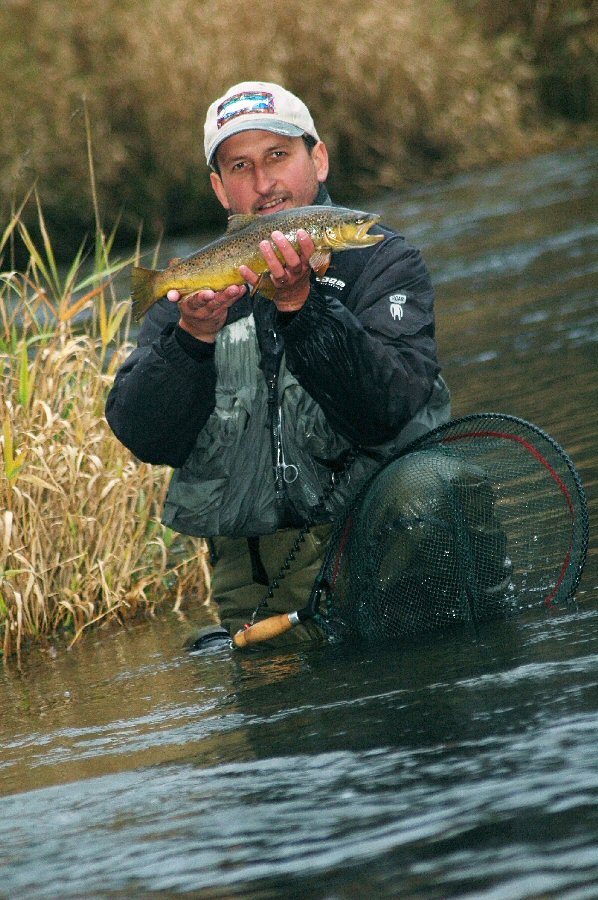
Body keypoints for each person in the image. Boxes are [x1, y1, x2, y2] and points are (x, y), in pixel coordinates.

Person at [105, 80, 451, 649]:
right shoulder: (193, 291)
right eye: (241, 166)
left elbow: (387, 410)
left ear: (318, 158)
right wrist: (193, 337)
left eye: (278, 156)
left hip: (382, 556)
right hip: (261, 594)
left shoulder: (385, 263)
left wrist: (301, 305)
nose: (264, 183)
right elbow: (147, 437)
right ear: (220, 190)